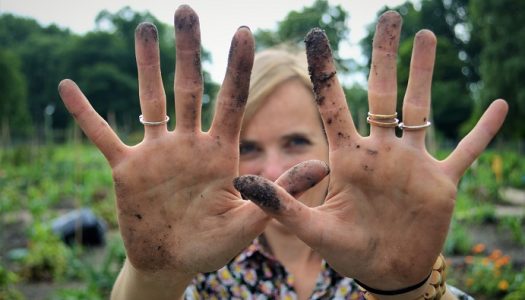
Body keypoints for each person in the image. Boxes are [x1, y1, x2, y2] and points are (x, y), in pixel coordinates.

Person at [58, 5, 507, 300]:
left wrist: (404, 290)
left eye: (295, 142)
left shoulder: (380, 251)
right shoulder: (210, 268)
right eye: (249, 148)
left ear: (336, 145)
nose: (273, 171)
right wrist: (156, 275)